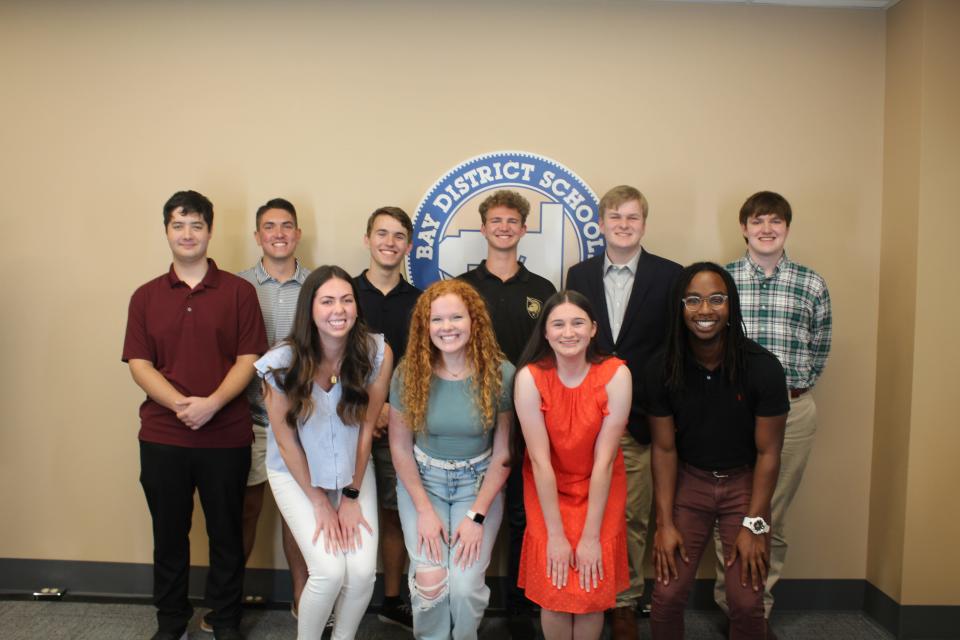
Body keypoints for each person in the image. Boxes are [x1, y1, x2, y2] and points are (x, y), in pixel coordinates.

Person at [122, 190, 268, 640]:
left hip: (226, 435)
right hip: (164, 436)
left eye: (196, 225)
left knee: (227, 536)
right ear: (167, 231)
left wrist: (211, 404)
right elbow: (140, 365)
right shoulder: (145, 296)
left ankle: (225, 621)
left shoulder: (239, 292)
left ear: (210, 230)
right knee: (169, 537)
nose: (188, 234)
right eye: (178, 225)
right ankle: (171, 623)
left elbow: (248, 359)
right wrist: (180, 405)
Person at [645, 262, 788, 640]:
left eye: (716, 299)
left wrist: (755, 525)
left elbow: (770, 454)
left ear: (731, 306)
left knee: (745, 601)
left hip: (744, 483)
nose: (704, 310)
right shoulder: (662, 367)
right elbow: (663, 449)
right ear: (679, 306)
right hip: (690, 483)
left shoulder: (763, 368)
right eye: (692, 300)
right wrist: (664, 524)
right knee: (667, 594)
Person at [565, 185, 681, 639]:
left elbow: (675, 346)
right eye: (615, 217)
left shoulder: (670, 276)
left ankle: (626, 600)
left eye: (632, 218)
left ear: (644, 224)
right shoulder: (579, 273)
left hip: (642, 415)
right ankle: (589, 592)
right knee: (588, 509)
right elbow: (570, 335)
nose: (623, 225)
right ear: (600, 224)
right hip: (586, 414)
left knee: (633, 514)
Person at [255, 266, 393, 640]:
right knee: (329, 572)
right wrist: (318, 502)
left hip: (351, 471)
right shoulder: (280, 362)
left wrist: (350, 495)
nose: (339, 309)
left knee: (363, 574)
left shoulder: (376, 352)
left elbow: (367, 428)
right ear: (310, 309)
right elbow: (285, 441)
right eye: (328, 300)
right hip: (296, 474)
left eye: (347, 300)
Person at [717, 191, 832, 619]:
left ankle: (756, 610)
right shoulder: (723, 281)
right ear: (744, 227)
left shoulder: (811, 283)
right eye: (758, 221)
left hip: (792, 412)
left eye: (776, 222)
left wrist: (791, 392)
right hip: (731, 410)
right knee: (728, 510)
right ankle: (732, 607)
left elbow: (819, 348)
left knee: (771, 513)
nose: (767, 229)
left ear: (786, 228)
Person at [388, 279, 514, 640]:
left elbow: (504, 453)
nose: (447, 328)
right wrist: (424, 510)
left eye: (456, 317)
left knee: (464, 585)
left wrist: (476, 516)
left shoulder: (502, 374)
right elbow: (399, 447)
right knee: (431, 582)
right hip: (423, 483)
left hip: (477, 486)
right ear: (425, 326)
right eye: (437, 320)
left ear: (474, 320)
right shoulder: (407, 373)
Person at [459, 189, 555, 639]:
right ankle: (462, 603)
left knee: (520, 513)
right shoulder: (461, 289)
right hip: (467, 418)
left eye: (511, 221)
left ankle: (519, 606)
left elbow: (552, 357)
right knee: (467, 509)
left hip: (523, 420)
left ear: (522, 228)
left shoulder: (542, 291)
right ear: (483, 228)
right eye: (495, 221)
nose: (503, 227)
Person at [513, 290, 631, 640]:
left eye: (578, 323)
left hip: (600, 485)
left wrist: (591, 536)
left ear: (593, 328)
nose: (569, 332)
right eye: (558, 324)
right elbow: (539, 459)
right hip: (548, 485)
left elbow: (605, 460)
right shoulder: (530, 378)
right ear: (545, 333)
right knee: (556, 584)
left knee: (591, 589)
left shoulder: (616, 374)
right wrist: (556, 535)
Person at [230, 198, 311, 627]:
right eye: (269, 226)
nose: (278, 233)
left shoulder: (317, 286)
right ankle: (229, 606)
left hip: (303, 424)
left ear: (298, 235)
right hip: (251, 420)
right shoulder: (237, 286)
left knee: (298, 515)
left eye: (286, 226)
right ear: (257, 235)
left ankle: (304, 601)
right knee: (245, 510)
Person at [354, 206, 422, 630]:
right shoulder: (345, 291)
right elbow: (330, 358)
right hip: (348, 423)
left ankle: (392, 599)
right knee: (347, 509)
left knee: (397, 512)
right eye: (382, 234)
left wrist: (388, 411)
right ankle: (345, 598)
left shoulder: (420, 301)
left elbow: (420, 366)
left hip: (400, 424)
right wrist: (367, 409)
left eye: (399, 236)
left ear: (408, 246)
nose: (389, 242)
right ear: (367, 239)